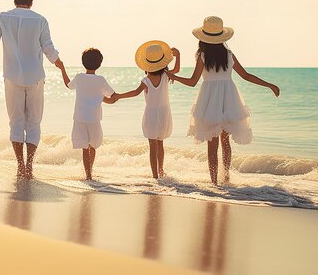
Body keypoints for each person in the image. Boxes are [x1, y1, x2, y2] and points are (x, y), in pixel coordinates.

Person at [167, 16, 280, 185]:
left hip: (209, 100)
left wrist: (171, 75)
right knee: (225, 143)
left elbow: (192, 82)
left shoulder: (202, 56)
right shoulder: (228, 54)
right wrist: (269, 85)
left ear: (203, 38)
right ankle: (226, 178)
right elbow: (246, 75)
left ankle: (214, 183)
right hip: (229, 98)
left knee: (212, 146)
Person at [0, 0, 62, 179]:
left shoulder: (2, 17)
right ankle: (30, 166)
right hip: (35, 77)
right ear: (31, 2)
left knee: (16, 122)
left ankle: (19, 166)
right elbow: (48, 48)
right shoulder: (40, 20)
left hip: (12, 77)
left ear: (14, 1)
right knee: (34, 122)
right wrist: (60, 64)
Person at [111, 41, 180, 179]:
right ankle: (161, 171)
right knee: (160, 144)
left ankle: (155, 176)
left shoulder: (146, 80)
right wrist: (178, 56)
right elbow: (177, 70)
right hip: (164, 114)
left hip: (152, 115)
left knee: (152, 146)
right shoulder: (166, 76)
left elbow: (135, 93)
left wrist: (119, 96)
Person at [56, 48, 116, 180]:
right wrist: (103, 98)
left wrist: (62, 68)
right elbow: (112, 97)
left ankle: (88, 175)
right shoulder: (101, 80)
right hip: (94, 118)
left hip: (80, 117)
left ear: (83, 62)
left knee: (84, 148)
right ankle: (91, 172)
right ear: (99, 64)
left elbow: (68, 85)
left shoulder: (79, 77)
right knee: (93, 146)